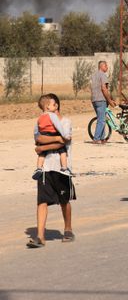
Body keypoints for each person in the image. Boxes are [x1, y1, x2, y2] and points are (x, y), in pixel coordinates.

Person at [27, 94, 75, 248]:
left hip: (61, 169)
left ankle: (68, 229)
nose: (47, 108)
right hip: (45, 169)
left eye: (50, 104)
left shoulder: (65, 122)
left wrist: (43, 147)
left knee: (64, 201)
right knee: (42, 201)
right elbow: (38, 139)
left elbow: (64, 141)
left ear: (56, 106)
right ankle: (40, 236)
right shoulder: (41, 121)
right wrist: (54, 140)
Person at [33, 95, 71, 179]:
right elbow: (59, 131)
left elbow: (38, 141)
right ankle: (64, 168)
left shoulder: (40, 118)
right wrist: (62, 137)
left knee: (41, 154)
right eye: (52, 105)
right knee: (63, 151)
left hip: (52, 170)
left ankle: (38, 168)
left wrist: (43, 147)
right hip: (46, 172)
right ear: (48, 107)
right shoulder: (52, 116)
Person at [90, 60, 116, 144]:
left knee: (102, 118)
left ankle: (102, 138)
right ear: (101, 66)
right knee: (101, 120)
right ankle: (96, 138)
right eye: (105, 66)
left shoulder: (94, 76)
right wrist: (110, 101)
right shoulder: (103, 75)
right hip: (101, 100)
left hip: (94, 100)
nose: (107, 67)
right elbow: (104, 89)